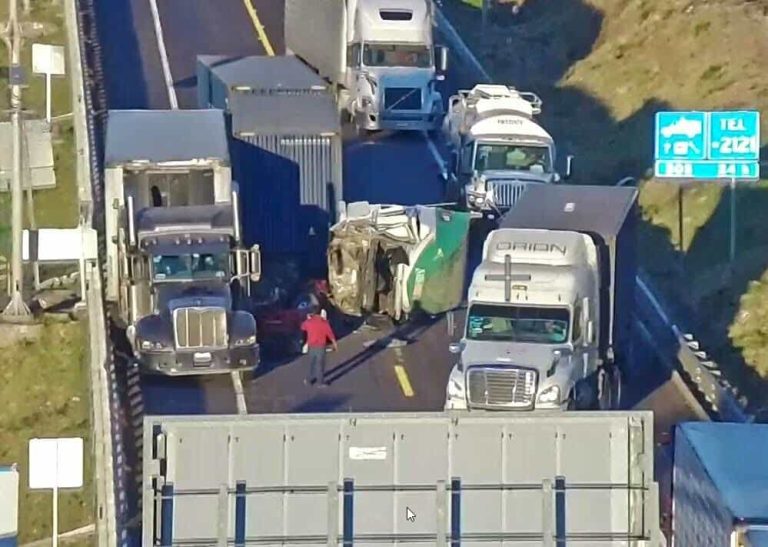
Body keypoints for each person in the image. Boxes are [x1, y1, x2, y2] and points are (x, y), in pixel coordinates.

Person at [300, 308, 338, 387]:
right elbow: (330, 334)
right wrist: (335, 344)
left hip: (311, 346)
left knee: (311, 364)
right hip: (321, 347)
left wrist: (308, 318)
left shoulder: (308, 322)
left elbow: (302, 327)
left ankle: (309, 380)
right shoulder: (324, 323)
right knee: (320, 365)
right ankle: (320, 382)